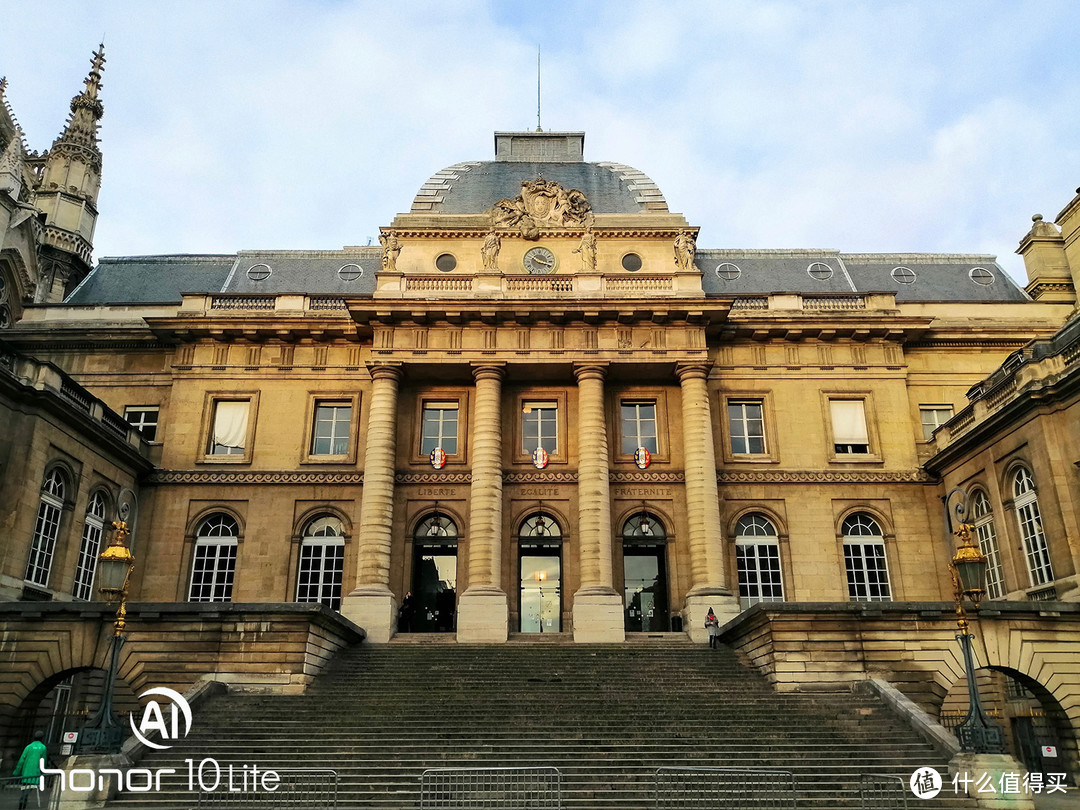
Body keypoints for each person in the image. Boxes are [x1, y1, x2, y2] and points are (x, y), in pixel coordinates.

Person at [13, 731, 47, 810]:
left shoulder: (28, 747)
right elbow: (43, 761)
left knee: (25, 789)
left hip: (26, 773)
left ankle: (22, 803)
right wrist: (42, 771)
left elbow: (21, 760)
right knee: (28, 790)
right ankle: (23, 802)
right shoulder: (43, 747)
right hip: (35, 773)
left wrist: (17, 771)